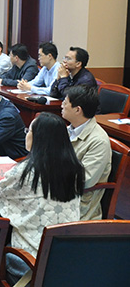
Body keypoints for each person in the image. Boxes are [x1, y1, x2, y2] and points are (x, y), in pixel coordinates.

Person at [0, 113, 84, 285]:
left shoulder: (25, 171)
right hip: (66, 255)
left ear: (38, 138)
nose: (26, 134)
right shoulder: (76, 168)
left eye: (29, 131)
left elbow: (2, 195)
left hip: (30, 261)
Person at [60, 85, 111, 220]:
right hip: (58, 189)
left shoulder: (99, 141)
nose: (61, 105)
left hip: (78, 203)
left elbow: (84, 180)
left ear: (77, 110)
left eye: (65, 103)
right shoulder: (68, 129)